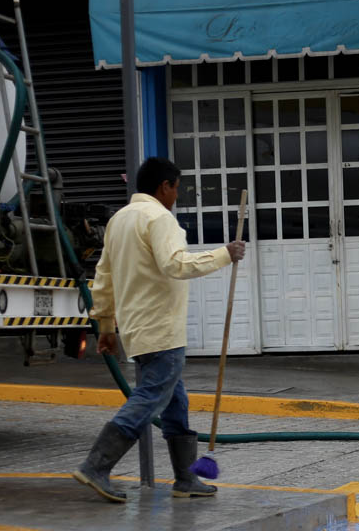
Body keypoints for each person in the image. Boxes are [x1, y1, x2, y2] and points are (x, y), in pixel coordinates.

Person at [73, 157, 246, 503]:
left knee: (174, 400)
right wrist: (225, 254)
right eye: (176, 188)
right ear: (164, 186)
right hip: (162, 327)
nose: (176, 196)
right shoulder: (159, 218)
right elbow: (176, 265)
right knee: (151, 397)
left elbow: (103, 277)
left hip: (137, 328)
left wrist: (106, 326)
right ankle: (96, 465)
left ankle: (185, 479)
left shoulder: (119, 220)